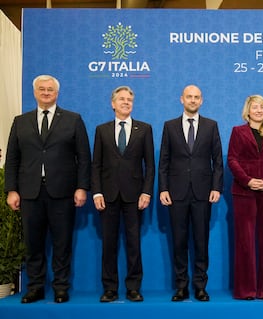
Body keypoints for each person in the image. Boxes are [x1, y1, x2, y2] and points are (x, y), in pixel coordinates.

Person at [4, 74, 91, 304]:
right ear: (34, 92)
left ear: (57, 93)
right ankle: (35, 287)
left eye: (50, 90)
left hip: (63, 192)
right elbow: (12, 159)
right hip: (29, 193)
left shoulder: (73, 120)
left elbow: (84, 158)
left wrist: (82, 187)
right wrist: (11, 190)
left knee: (62, 244)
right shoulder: (20, 122)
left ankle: (61, 287)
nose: (45, 93)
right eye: (41, 89)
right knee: (33, 244)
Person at [159, 85, 223, 302]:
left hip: (203, 193)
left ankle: (200, 286)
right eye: (189, 97)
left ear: (202, 101)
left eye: (196, 97)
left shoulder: (211, 126)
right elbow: (164, 161)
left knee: (201, 241)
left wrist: (216, 187)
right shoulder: (169, 126)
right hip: (176, 193)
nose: (193, 100)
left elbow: (218, 161)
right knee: (179, 241)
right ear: (181, 99)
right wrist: (163, 188)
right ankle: (181, 287)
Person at [91, 86, 155, 303]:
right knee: (108, 244)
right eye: (121, 99)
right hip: (107, 196)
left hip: (135, 196)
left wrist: (147, 192)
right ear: (113, 103)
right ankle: (109, 288)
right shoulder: (102, 130)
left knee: (133, 244)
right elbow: (96, 165)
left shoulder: (144, 129)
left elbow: (150, 165)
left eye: (129, 99)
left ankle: (133, 288)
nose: (126, 102)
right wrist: (97, 192)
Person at [227, 95, 263, 300]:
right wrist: (248, 180)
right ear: (248, 111)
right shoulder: (237, 131)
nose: (259, 110)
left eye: (262, 107)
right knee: (245, 241)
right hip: (244, 192)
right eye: (255, 107)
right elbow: (232, 159)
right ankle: (246, 290)